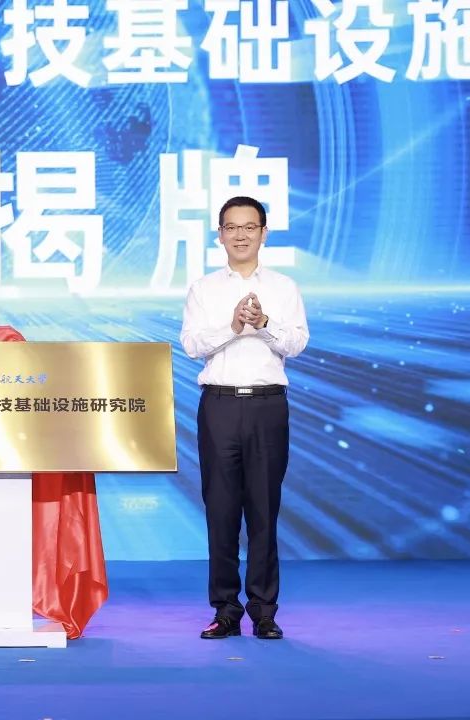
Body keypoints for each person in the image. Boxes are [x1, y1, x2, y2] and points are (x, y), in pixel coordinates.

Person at [179, 196, 309, 640]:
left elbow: (297, 343)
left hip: (268, 407)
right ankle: (226, 610)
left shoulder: (284, 288)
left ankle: (264, 612)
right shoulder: (203, 289)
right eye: (231, 227)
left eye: (249, 227)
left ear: (263, 233)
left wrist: (264, 322)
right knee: (221, 511)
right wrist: (233, 327)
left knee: (263, 510)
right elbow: (192, 345)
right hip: (219, 405)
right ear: (219, 235)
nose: (240, 235)